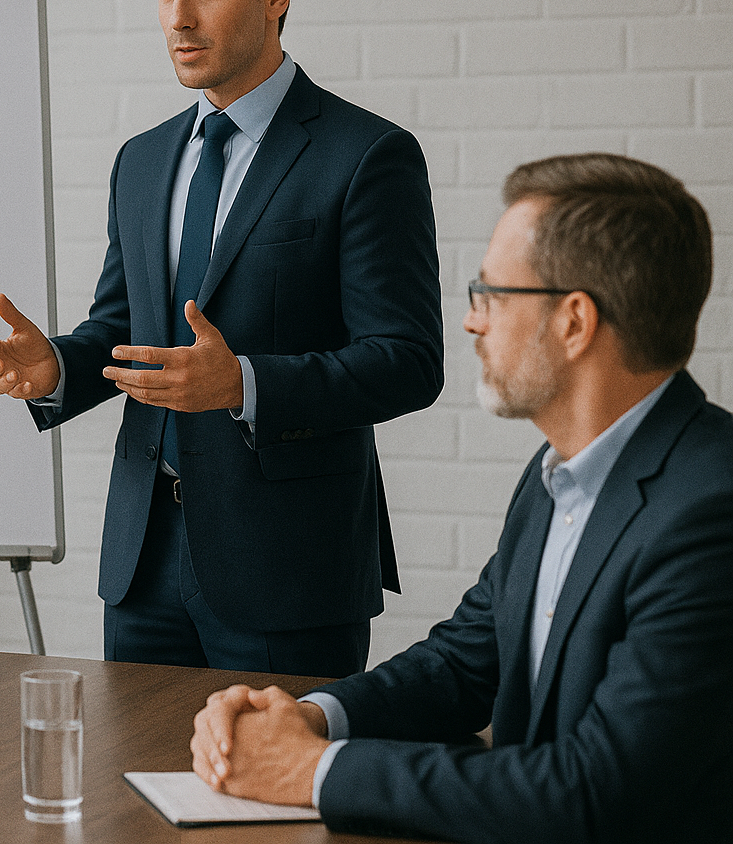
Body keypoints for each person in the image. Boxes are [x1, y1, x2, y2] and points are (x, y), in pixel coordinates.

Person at [190, 153, 732, 843]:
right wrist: (312, 717)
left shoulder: (708, 513)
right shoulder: (558, 474)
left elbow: (598, 791)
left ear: (574, 322)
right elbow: (465, 662)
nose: (472, 323)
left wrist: (315, 772)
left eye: (492, 294)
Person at [0, 0, 442, 675]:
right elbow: (123, 332)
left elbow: (407, 361)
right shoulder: (144, 159)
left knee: (275, 798)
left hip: (288, 569)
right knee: (128, 799)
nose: (178, 18)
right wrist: (60, 366)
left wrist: (243, 383)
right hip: (141, 562)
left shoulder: (365, 156)